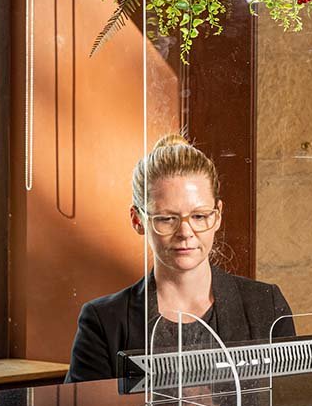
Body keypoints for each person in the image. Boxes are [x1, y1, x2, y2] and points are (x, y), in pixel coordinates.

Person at [65, 134, 294, 383]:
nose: (185, 233)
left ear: (217, 216)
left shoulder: (266, 305)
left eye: (199, 216)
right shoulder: (103, 321)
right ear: (137, 220)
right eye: (166, 219)